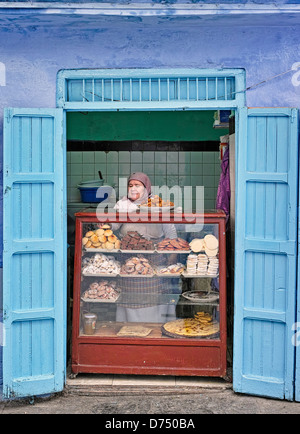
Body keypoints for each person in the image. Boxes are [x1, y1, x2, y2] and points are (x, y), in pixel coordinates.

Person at [112, 172, 178, 323]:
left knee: (156, 293)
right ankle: (130, 329)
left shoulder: (157, 205)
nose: (133, 188)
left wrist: (173, 254)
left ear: (146, 188)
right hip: (129, 256)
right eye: (130, 185)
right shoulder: (122, 204)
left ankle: (156, 327)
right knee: (131, 294)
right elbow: (114, 224)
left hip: (155, 256)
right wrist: (106, 224)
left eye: (137, 185)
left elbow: (170, 230)